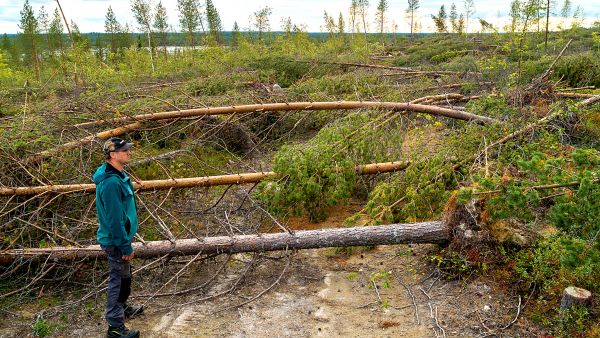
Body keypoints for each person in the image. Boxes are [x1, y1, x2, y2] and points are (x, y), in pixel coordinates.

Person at [93, 137, 143, 338]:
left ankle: (122, 309)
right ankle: (115, 327)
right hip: (116, 241)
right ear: (113, 155)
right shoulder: (111, 182)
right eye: (124, 151)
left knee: (125, 277)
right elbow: (114, 220)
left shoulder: (117, 174)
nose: (129, 152)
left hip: (120, 238)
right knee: (119, 281)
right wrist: (125, 246)